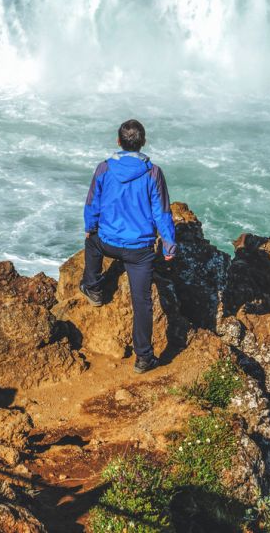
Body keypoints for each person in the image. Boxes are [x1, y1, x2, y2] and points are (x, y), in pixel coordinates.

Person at [80, 118, 177, 373]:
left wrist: (91, 228)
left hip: (108, 243)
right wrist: (168, 246)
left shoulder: (104, 168)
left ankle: (93, 289)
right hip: (140, 251)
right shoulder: (153, 172)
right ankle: (144, 358)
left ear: (118, 141)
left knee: (91, 244)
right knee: (142, 302)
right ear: (143, 143)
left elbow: (92, 205)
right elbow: (162, 212)